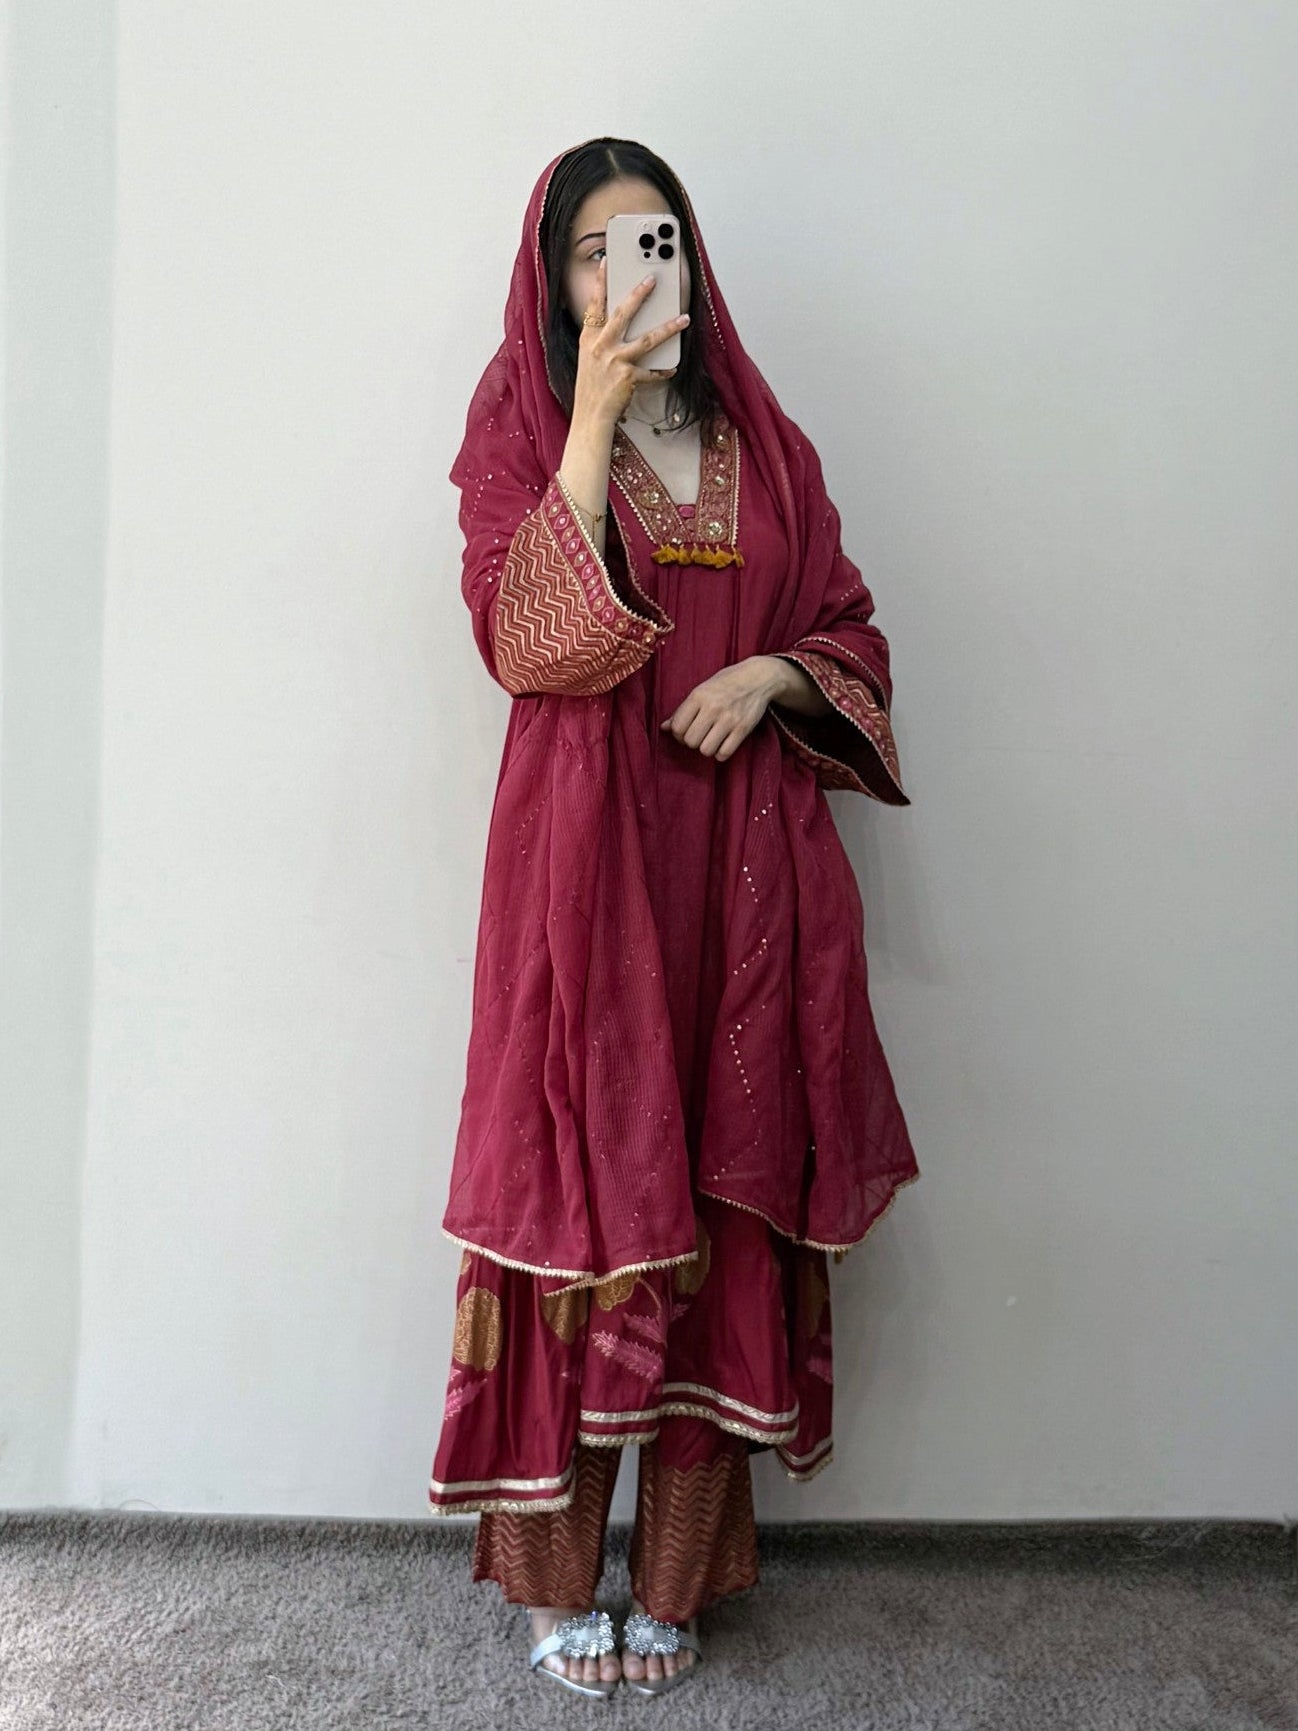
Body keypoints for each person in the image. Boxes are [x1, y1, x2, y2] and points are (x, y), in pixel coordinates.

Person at [426, 136, 920, 1699]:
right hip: (588, 868)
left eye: (657, 241)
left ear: (695, 267)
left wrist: (771, 675)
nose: (629, 271)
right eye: (592, 249)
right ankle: (557, 1578)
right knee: (583, 1172)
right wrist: (584, 415)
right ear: (551, 281)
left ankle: (681, 1578)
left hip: (746, 869)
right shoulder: (516, 427)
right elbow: (528, 639)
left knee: (722, 1172)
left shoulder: (764, 446)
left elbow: (843, 625)